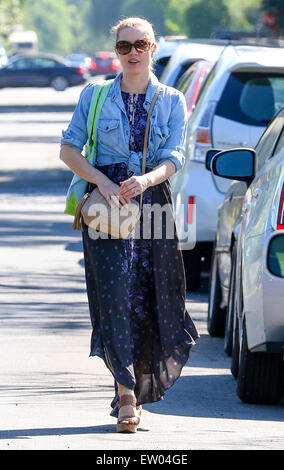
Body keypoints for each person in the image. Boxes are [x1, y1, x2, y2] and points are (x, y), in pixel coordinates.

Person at [60, 16, 199, 433]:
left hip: (153, 205)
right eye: (124, 46)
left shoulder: (172, 99)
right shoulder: (95, 95)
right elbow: (69, 149)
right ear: (116, 52)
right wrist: (102, 182)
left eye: (141, 44)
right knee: (115, 294)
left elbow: (175, 155)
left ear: (153, 48)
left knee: (153, 295)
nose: (133, 52)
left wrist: (145, 179)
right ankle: (125, 396)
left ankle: (137, 384)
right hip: (106, 208)